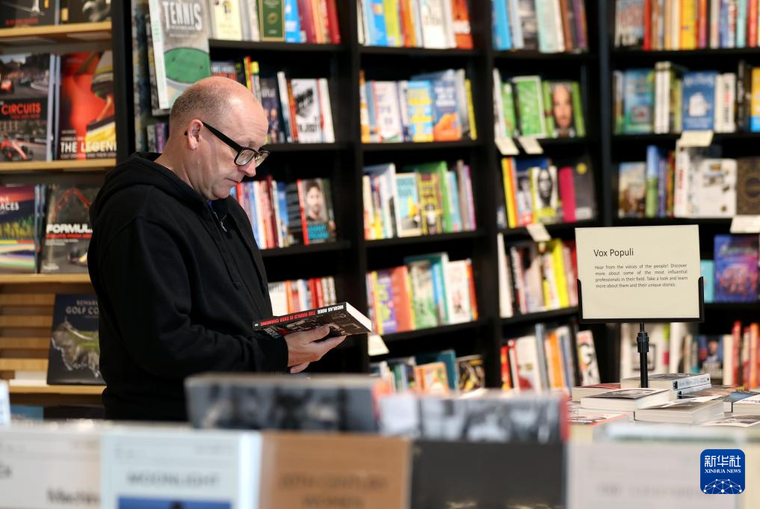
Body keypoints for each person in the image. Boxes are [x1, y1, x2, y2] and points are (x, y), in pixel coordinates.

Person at [88, 77, 345, 421]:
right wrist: (275, 354)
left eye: (258, 154)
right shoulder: (140, 214)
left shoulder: (226, 207)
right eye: (243, 150)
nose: (250, 169)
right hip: (173, 432)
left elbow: (239, 321)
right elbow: (166, 345)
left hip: (236, 417)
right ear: (195, 134)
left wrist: (283, 354)